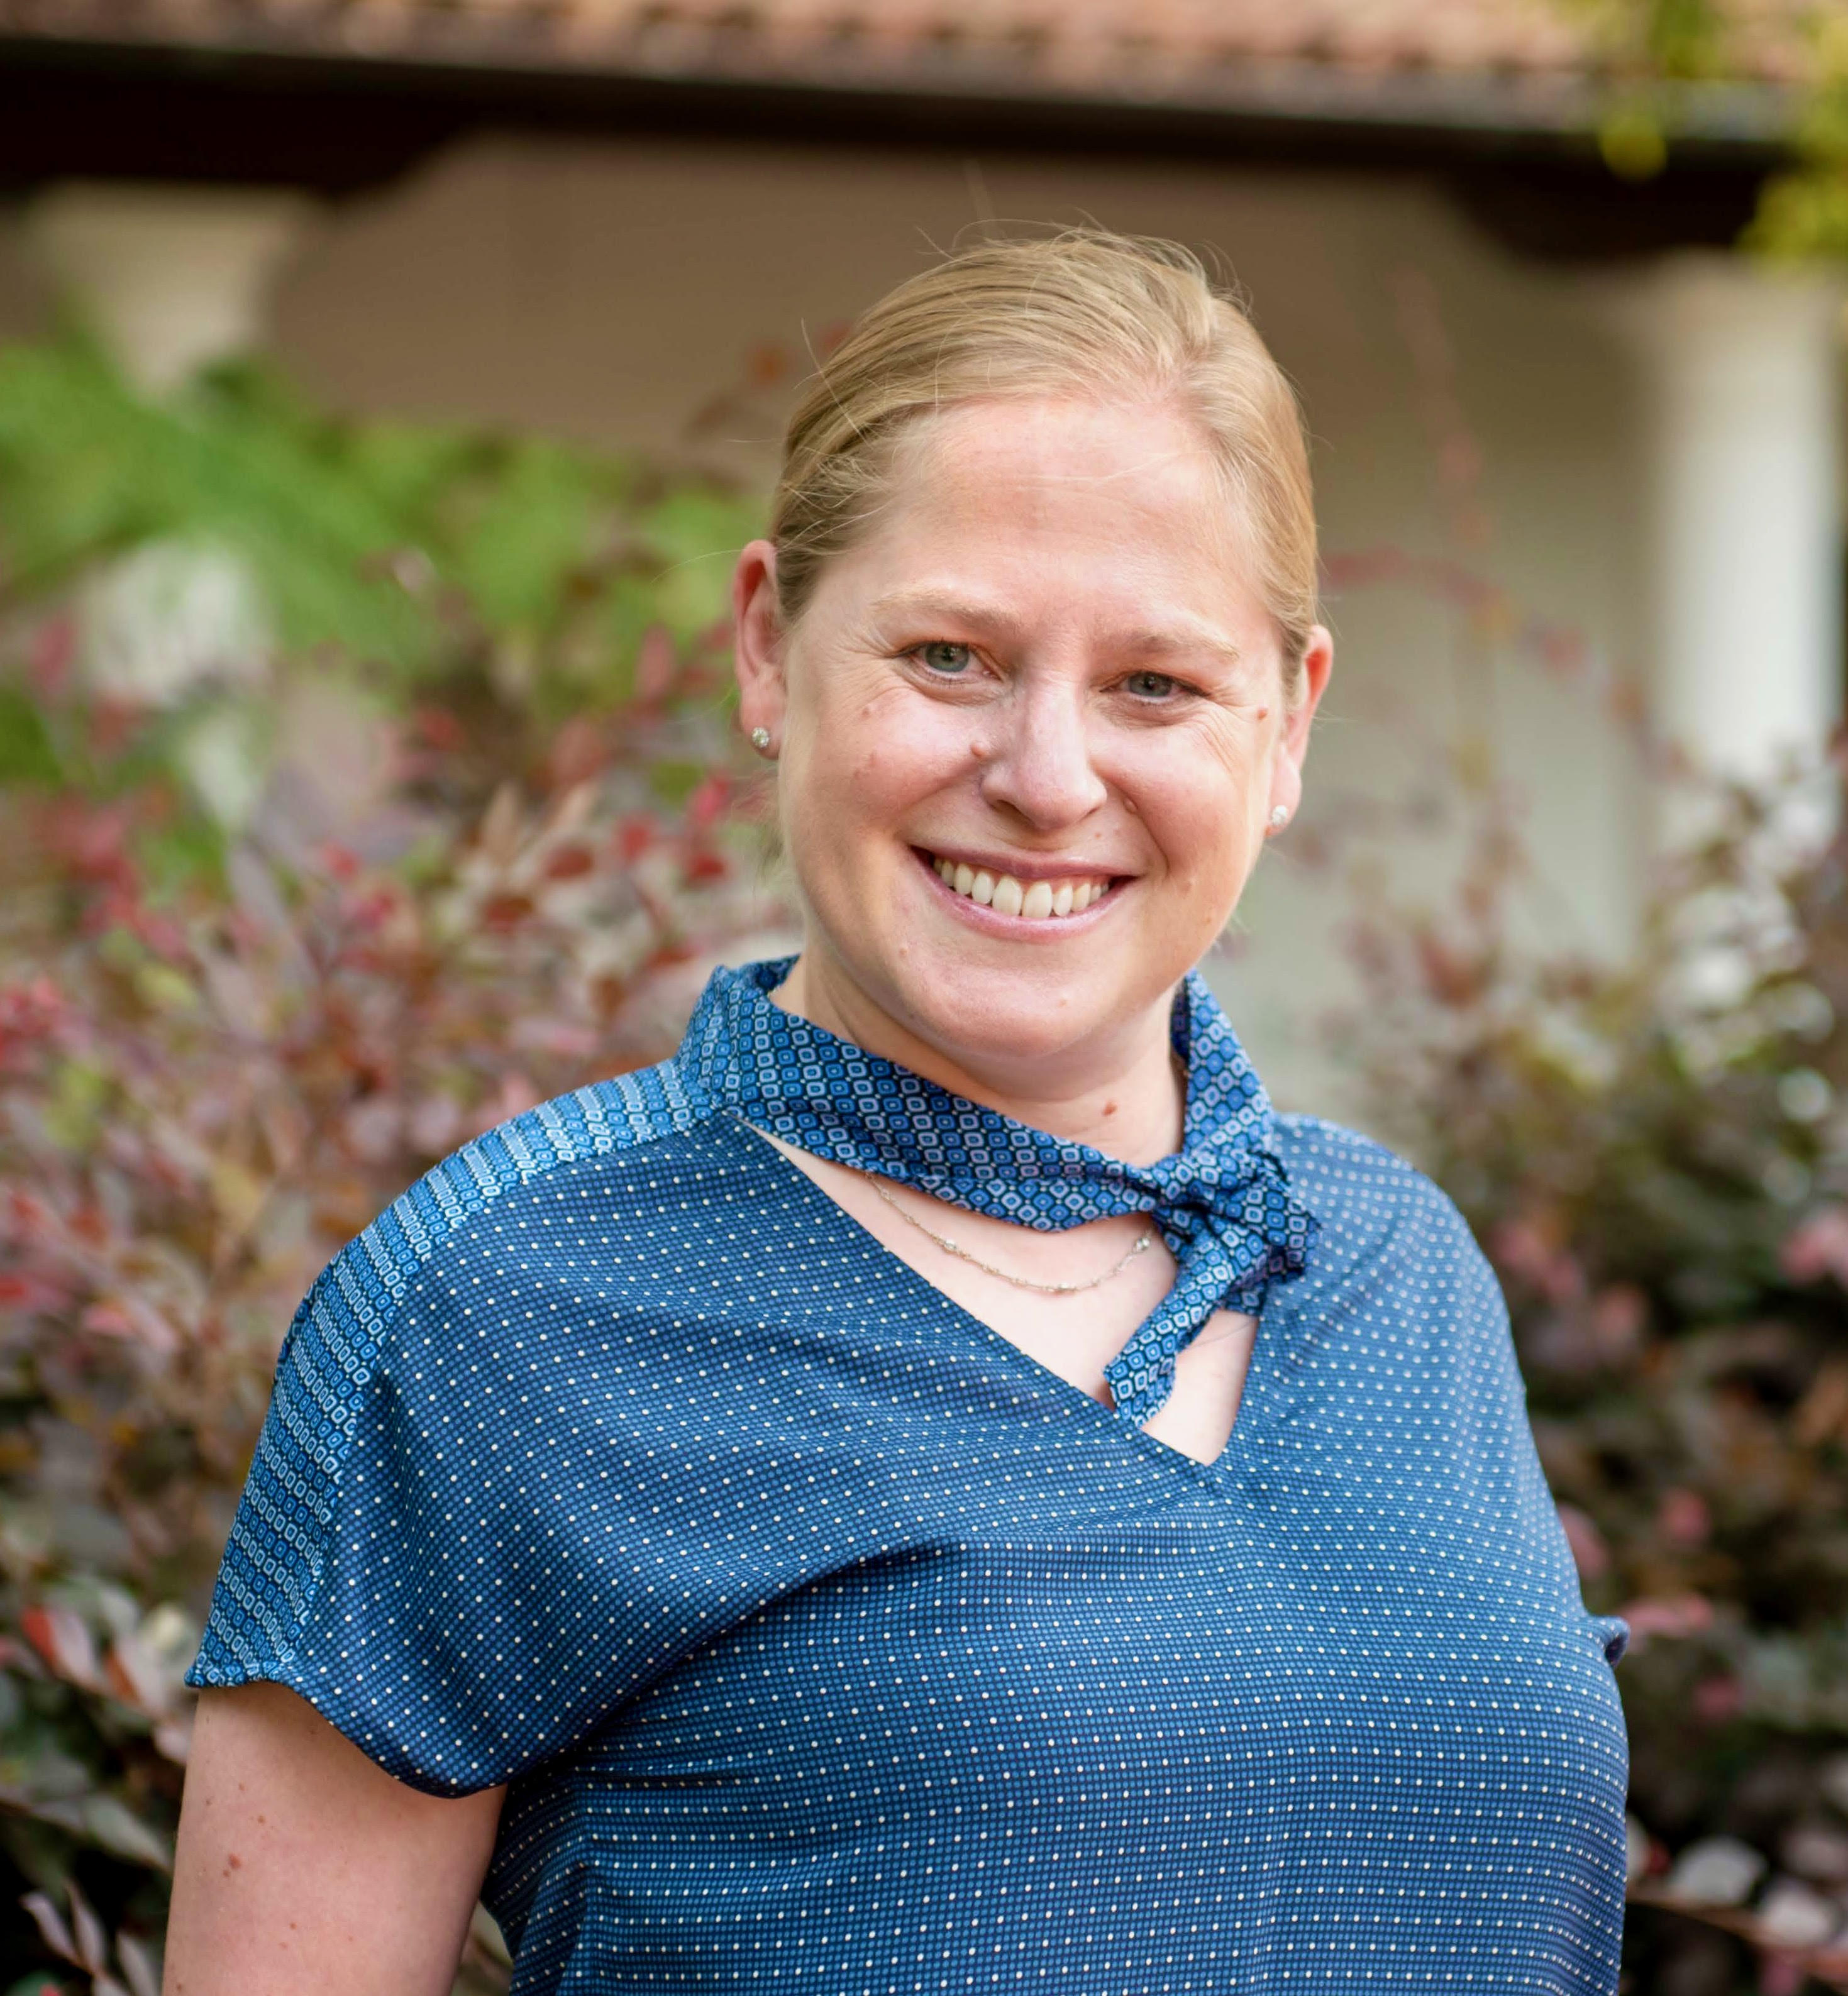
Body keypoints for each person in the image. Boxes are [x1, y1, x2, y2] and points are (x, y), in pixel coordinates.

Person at [163, 229, 1629, 1996]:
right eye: (948, 656)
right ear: (770, 649)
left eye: (1153, 683)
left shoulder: (1395, 1276)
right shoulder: (503, 1305)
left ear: (1288, 723)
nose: (1044, 774)